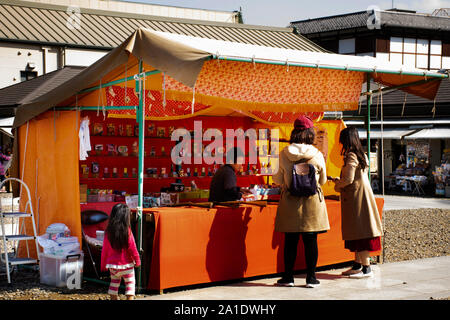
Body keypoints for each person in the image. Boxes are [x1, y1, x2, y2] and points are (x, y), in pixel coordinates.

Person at [273, 115, 329, 288]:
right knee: (311, 240)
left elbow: (277, 180)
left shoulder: (284, 153)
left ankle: (288, 277)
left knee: (290, 241)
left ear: (294, 132)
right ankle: (311, 278)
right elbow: (323, 181)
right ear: (310, 133)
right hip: (312, 202)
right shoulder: (317, 154)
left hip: (290, 202)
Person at [332, 127, 383, 278]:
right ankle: (357, 265)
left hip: (356, 199)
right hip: (362, 196)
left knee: (360, 232)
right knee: (359, 230)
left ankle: (366, 268)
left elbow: (348, 179)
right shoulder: (362, 154)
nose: (340, 143)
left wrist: (337, 184)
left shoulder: (351, 155)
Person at [101, 203, 141, 300]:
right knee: (130, 284)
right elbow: (133, 248)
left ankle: (114, 298)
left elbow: (104, 250)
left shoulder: (108, 232)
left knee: (114, 284)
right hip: (126, 265)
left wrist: (103, 265)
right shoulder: (127, 231)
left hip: (112, 266)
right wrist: (138, 261)